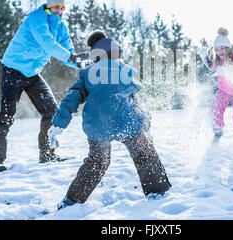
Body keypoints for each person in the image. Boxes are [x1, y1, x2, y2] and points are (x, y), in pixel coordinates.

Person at [49, 31, 171, 209]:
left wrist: (59, 124)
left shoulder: (87, 73)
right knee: (144, 153)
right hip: (126, 122)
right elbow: (139, 100)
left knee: (97, 161)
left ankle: (71, 201)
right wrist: (146, 125)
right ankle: (157, 192)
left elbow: (72, 97)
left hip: (97, 125)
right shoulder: (126, 71)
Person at [0, 0, 89, 174]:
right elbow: (48, 44)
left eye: (62, 8)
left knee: (51, 111)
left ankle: (47, 154)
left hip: (32, 73)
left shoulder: (61, 27)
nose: (59, 11)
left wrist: (81, 61)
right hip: (13, 69)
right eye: (56, 7)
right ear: (48, 7)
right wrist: (71, 57)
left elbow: (68, 52)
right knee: (6, 116)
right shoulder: (36, 18)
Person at [199, 28, 233, 138]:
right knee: (215, 108)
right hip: (224, 91)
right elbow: (211, 66)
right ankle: (217, 130)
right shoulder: (218, 62)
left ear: (228, 48)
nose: (220, 52)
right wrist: (204, 56)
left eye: (222, 48)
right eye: (217, 49)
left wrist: (230, 71)